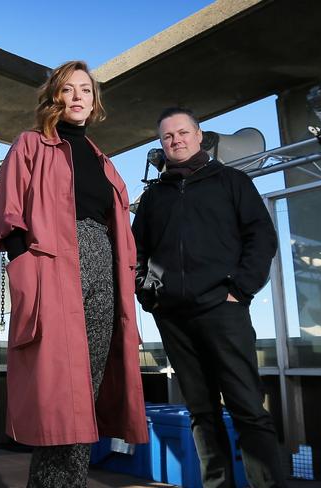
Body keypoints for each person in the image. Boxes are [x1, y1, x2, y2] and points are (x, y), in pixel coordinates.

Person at [0, 60, 148, 488]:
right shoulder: (30, 145)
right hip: (52, 271)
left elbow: (118, 227)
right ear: (55, 97)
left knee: (87, 389)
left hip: (102, 270)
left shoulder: (105, 163)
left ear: (94, 102)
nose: (78, 96)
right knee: (60, 393)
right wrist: (26, 266)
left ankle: (68, 483)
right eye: (69, 89)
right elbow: (8, 215)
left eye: (86, 90)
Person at [132, 107, 286, 488]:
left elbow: (261, 237)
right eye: (167, 137)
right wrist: (148, 295)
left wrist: (239, 290)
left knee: (248, 408)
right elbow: (135, 251)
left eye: (182, 133)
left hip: (224, 310)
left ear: (199, 135)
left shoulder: (231, 182)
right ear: (161, 144)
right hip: (173, 318)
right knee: (202, 412)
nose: (176, 140)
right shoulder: (154, 198)